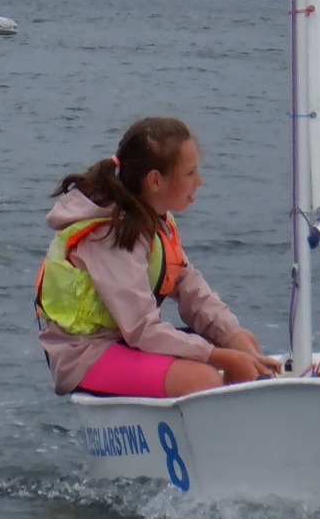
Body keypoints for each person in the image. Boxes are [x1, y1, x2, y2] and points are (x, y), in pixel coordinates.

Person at [36, 116, 278, 397]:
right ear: (155, 181)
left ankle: (234, 431)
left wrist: (235, 341)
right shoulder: (112, 236)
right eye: (190, 174)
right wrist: (217, 356)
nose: (198, 181)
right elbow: (141, 329)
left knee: (243, 342)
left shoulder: (157, 223)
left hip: (127, 343)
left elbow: (193, 292)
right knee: (201, 379)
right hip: (86, 355)